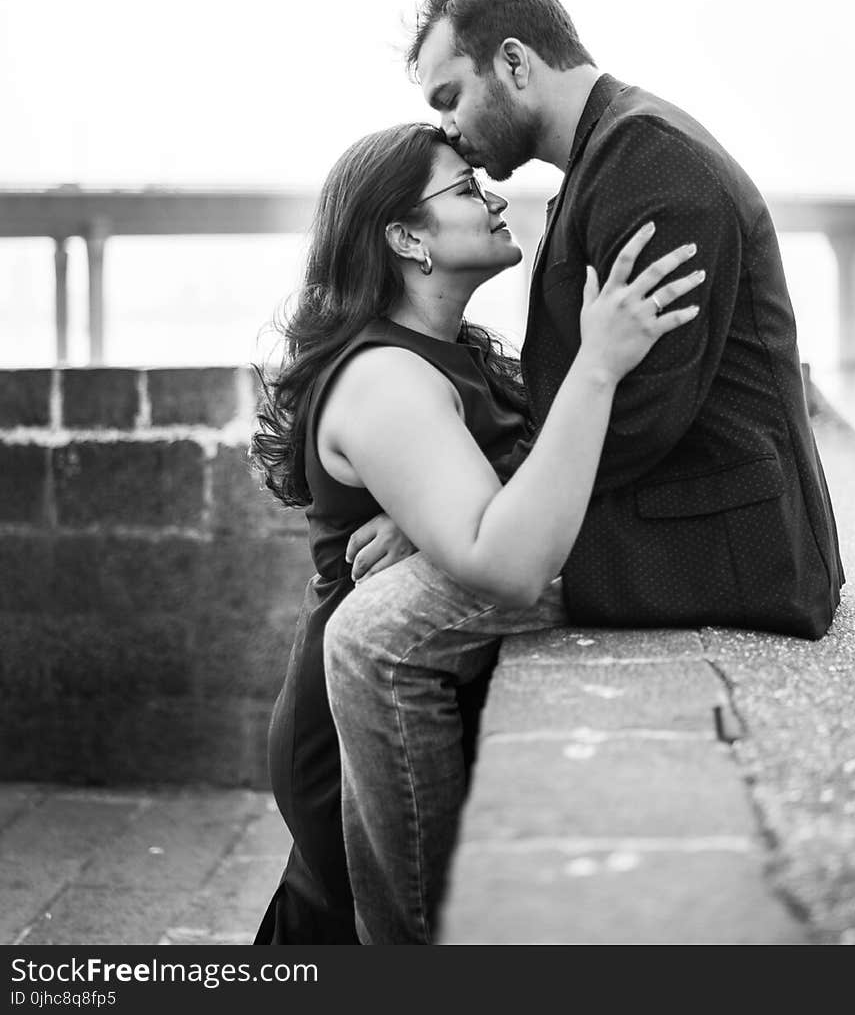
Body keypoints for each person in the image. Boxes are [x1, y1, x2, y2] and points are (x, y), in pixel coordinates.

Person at [324, 0, 844, 944]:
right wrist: (449, 515)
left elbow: (639, 411)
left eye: (451, 96)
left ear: (513, 62)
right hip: (670, 510)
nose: (452, 134)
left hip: (707, 542)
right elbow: (583, 401)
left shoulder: (653, 169)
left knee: (373, 643)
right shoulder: (613, 158)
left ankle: (417, 949)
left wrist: (460, 522)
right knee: (379, 614)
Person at [251, 120, 703, 943]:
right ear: (405, 239)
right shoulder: (384, 377)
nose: (493, 197)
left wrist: (429, 525)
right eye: (464, 190)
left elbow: (528, 474)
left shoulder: (453, 350)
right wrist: (600, 364)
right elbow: (510, 562)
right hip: (358, 729)